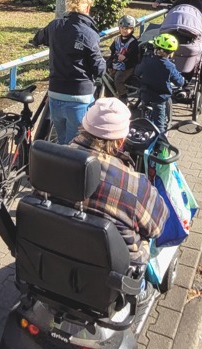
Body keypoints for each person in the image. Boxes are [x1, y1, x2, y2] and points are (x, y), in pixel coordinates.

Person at [69, 97, 169, 267]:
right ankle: (144, 289)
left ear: (84, 126)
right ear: (121, 141)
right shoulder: (133, 183)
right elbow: (158, 226)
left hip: (56, 250)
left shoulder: (50, 160)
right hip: (112, 269)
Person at [31, 0, 105, 144]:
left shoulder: (54, 26)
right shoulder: (89, 34)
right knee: (74, 146)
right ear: (87, 8)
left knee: (61, 140)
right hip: (79, 96)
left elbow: (37, 38)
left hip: (55, 94)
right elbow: (98, 68)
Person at [135, 33, 185, 132]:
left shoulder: (146, 60)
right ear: (171, 53)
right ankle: (161, 140)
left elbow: (137, 72)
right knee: (160, 125)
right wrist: (182, 80)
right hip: (159, 98)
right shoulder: (169, 66)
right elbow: (179, 82)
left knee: (144, 114)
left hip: (145, 94)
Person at [108, 15, 140, 104]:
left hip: (127, 67)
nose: (124, 30)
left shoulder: (133, 42)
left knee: (118, 79)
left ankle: (123, 97)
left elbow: (134, 58)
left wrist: (126, 58)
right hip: (116, 64)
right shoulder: (117, 40)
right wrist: (109, 63)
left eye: (128, 28)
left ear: (132, 29)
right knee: (108, 78)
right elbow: (112, 52)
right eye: (122, 28)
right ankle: (110, 96)